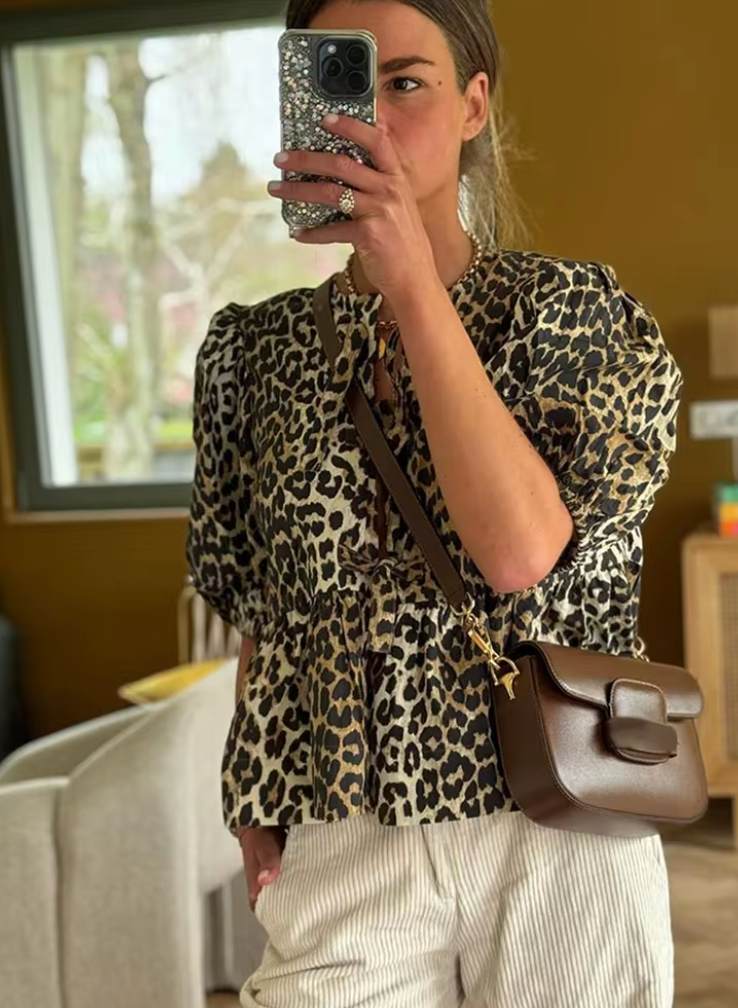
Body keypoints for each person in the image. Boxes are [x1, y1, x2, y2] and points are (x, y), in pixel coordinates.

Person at [186, 0, 681, 1005]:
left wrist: (412, 285)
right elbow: (262, 612)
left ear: (474, 106)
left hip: (556, 816)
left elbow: (519, 556)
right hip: (343, 831)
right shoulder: (253, 355)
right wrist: (252, 788)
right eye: (340, 86)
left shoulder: (570, 316)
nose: (369, 120)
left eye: (405, 83)